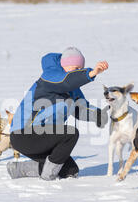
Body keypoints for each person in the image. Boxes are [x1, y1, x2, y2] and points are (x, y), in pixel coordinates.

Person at [7, 47, 109, 180]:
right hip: (24, 134)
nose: (78, 71)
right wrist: (91, 73)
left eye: (81, 68)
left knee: (70, 170)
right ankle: (47, 176)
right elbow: (65, 81)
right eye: (76, 67)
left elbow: (81, 108)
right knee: (70, 134)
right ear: (65, 64)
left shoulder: (73, 88)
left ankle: (18, 169)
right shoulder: (50, 76)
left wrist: (100, 115)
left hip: (45, 137)